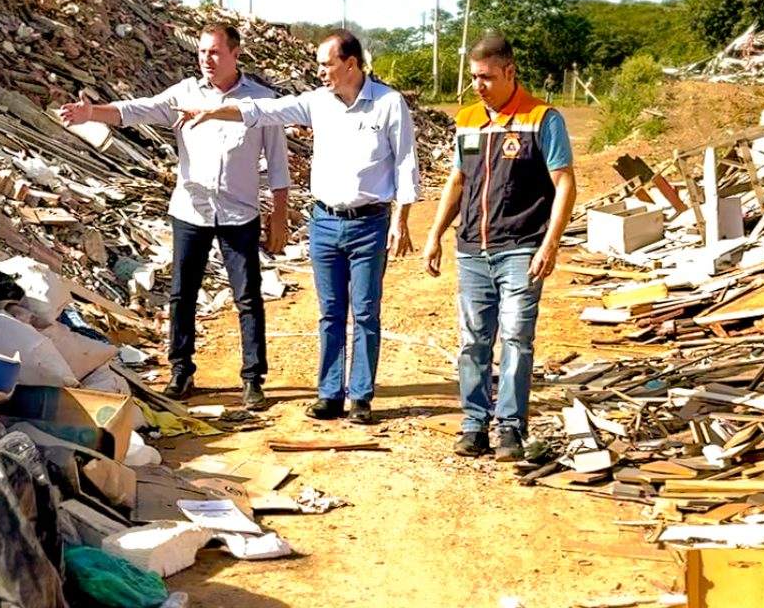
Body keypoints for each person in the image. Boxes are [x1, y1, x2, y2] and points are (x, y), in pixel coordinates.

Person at [175, 29, 421, 424]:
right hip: (324, 223)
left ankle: (360, 397)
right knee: (330, 312)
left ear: (351, 64)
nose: (320, 72)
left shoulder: (389, 104)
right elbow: (263, 111)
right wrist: (214, 111)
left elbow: (407, 163)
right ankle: (330, 393)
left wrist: (402, 220)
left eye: (327, 64)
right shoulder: (317, 103)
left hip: (370, 223)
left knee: (365, 312)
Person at [57, 22, 290, 411]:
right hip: (191, 211)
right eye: (201, 52)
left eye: (215, 52)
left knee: (247, 297)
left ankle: (253, 379)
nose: (206, 59)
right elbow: (138, 109)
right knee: (183, 295)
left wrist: (279, 214)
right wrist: (92, 113)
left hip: (239, 214)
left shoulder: (260, 102)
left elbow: (278, 165)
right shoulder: (184, 93)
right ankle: (181, 371)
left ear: (235, 53)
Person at [422, 32, 576, 461]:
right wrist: (435, 234)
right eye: (474, 77)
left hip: (521, 248)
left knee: (515, 337)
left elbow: (565, 183)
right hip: (472, 249)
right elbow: (458, 181)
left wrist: (550, 244)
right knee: (473, 340)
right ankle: (474, 424)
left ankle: (510, 426)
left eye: (486, 77)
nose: (478, 86)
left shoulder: (543, 119)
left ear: (510, 72)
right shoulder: (468, 120)